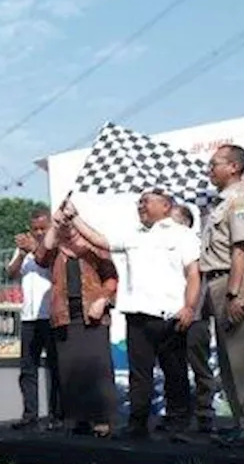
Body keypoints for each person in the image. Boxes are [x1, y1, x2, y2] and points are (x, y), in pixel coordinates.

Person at [64, 188, 200, 439]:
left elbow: (193, 273)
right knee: (140, 374)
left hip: (170, 314)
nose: (140, 206)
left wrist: (189, 307)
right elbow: (101, 240)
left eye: (146, 202)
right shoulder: (132, 234)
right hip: (137, 314)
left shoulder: (183, 235)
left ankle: (178, 423)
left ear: (166, 206)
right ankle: (137, 423)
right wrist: (74, 218)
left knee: (175, 371)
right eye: (139, 202)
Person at [199, 144, 244, 447]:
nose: (209, 170)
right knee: (228, 359)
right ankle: (241, 422)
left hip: (234, 281)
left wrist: (233, 294)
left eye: (215, 164)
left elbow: (239, 250)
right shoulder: (220, 203)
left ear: (234, 168)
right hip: (218, 281)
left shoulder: (238, 201)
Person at [34, 211, 119, 438]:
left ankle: (102, 419)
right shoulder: (55, 250)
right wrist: (54, 224)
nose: (66, 227)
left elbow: (111, 277)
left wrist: (102, 299)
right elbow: (40, 257)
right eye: (63, 224)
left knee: (97, 367)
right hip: (64, 314)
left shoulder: (94, 247)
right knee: (70, 368)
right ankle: (77, 419)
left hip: (92, 313)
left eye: (69, 224)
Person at [6, 210, 60, 431]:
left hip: (51, 315)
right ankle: (30, 414)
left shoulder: (54, 247)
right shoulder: (25, 251)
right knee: (28, 368)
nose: (38, 233)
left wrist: (35, 248)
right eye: (35, 229)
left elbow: (52, 267)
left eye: (42, 228)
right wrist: (20, 254)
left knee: (55, 367)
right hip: (29, 317)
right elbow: (11, 273)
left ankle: (57, 415)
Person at [171, 204, 219, 434]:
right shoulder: (163, 244)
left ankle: (204, 414)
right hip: (169, 314)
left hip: (196, 314)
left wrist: (192, 309)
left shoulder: (199, 244)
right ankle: (178, 414)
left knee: (199, 365)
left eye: (174, 220)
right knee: (173, 366)